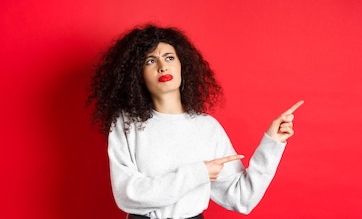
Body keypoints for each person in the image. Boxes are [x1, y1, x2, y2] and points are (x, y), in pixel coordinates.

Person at [87, 23, 303, 219]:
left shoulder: (207, 128)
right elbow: (127, 195)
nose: (162, 66)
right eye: (150, 61)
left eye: (169, 58)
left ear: (183, 65)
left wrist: (272, 143)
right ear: (138, 74)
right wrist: (198, 174)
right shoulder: (126, 124)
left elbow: (242, 198)